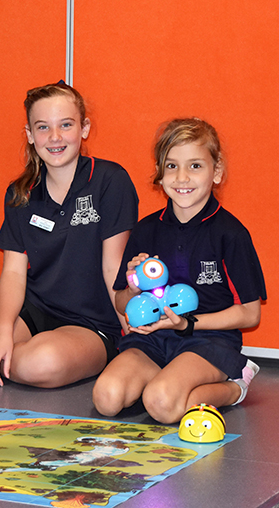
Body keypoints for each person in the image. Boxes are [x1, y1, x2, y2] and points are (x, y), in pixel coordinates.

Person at [0, 82, 138, 388]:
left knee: (39, 364)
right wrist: (1, 335)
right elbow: (13, 271)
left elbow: (112, 266)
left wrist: (127, 326)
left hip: (91, 324)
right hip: (35, 309)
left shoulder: (110, 181)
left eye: (66, 125)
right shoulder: (20, 193)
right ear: (29, 134)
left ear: (84, 128)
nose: (55, 137)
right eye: (43, 127)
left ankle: (20, 347)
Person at [92, 118, 266, 424]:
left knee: (161, 405)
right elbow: (121, 302)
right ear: (160, 173)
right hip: (153, 339)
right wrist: (133, 286)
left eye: (195, 166)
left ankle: (234, 387)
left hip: (209, 339)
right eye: (171, 166)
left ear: (217, 172)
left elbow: (250, 314)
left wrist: (187, 325)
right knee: (106, 398)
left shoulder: (231, 234)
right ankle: (168, 378)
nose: (182, 177)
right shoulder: (146, 230)